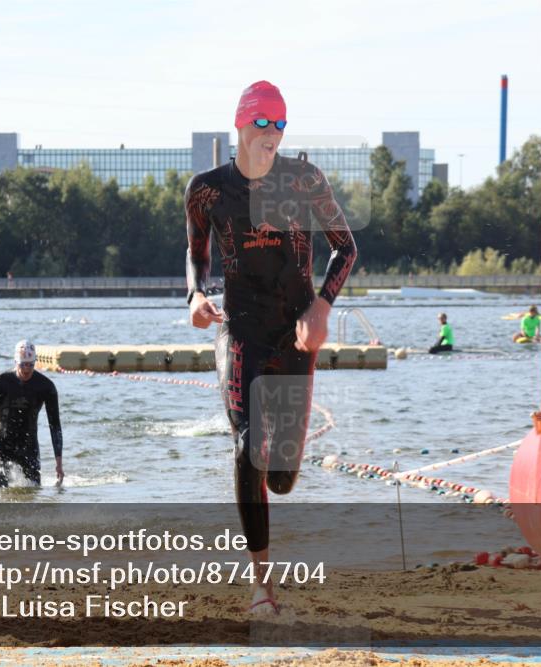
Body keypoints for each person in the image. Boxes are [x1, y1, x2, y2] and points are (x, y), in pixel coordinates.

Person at [185, 80, 357, 614]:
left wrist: (323, 305)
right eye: (263, 123)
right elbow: (196, 253)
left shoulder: (304, 180)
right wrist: (194, 293)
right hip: (241, 331)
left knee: (280, 478)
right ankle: (262, 584)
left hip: (295, 332)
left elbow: (345, 248)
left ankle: (274, 493)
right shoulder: (207, 191)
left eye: (281, 124)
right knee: (248, 447)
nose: (272, 134)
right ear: (240, 124)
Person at [0, 340, 64, 487]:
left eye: (30, 364)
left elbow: (55, 426)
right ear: (15, 361)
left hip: (28, 446)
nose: (27, 369)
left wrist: (59, 463)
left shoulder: (46, 386)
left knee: (33, 493)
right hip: (3, 444)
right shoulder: (1, 381)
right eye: (23, 364)